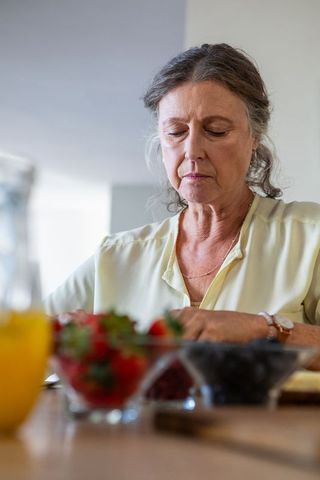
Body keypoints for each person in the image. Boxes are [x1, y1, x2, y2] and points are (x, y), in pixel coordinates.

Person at [45, 43, 320, 368]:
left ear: (254, 137)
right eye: (176, 132)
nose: (192, 151)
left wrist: (262, 329)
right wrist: (63, 335)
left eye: (215, 130)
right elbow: (19, 340)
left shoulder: (309, 236)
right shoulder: (116, 256)